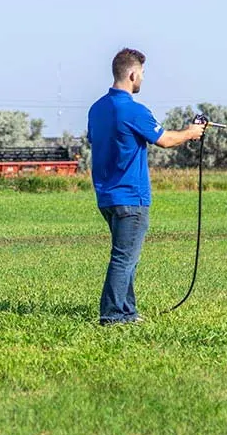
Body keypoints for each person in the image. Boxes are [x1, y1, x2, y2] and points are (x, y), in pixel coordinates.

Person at [87, 48, 206, 325]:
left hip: (106, 195)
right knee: (123, 258)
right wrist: (191, 133)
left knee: (127, 255)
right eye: (141, 74)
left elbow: (97, 140)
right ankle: (113, 315)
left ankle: (127, 311)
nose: (142, 79)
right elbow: (164, 140)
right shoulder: (133, 110)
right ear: (132, 73)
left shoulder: (97, 108)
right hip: (132, 196)